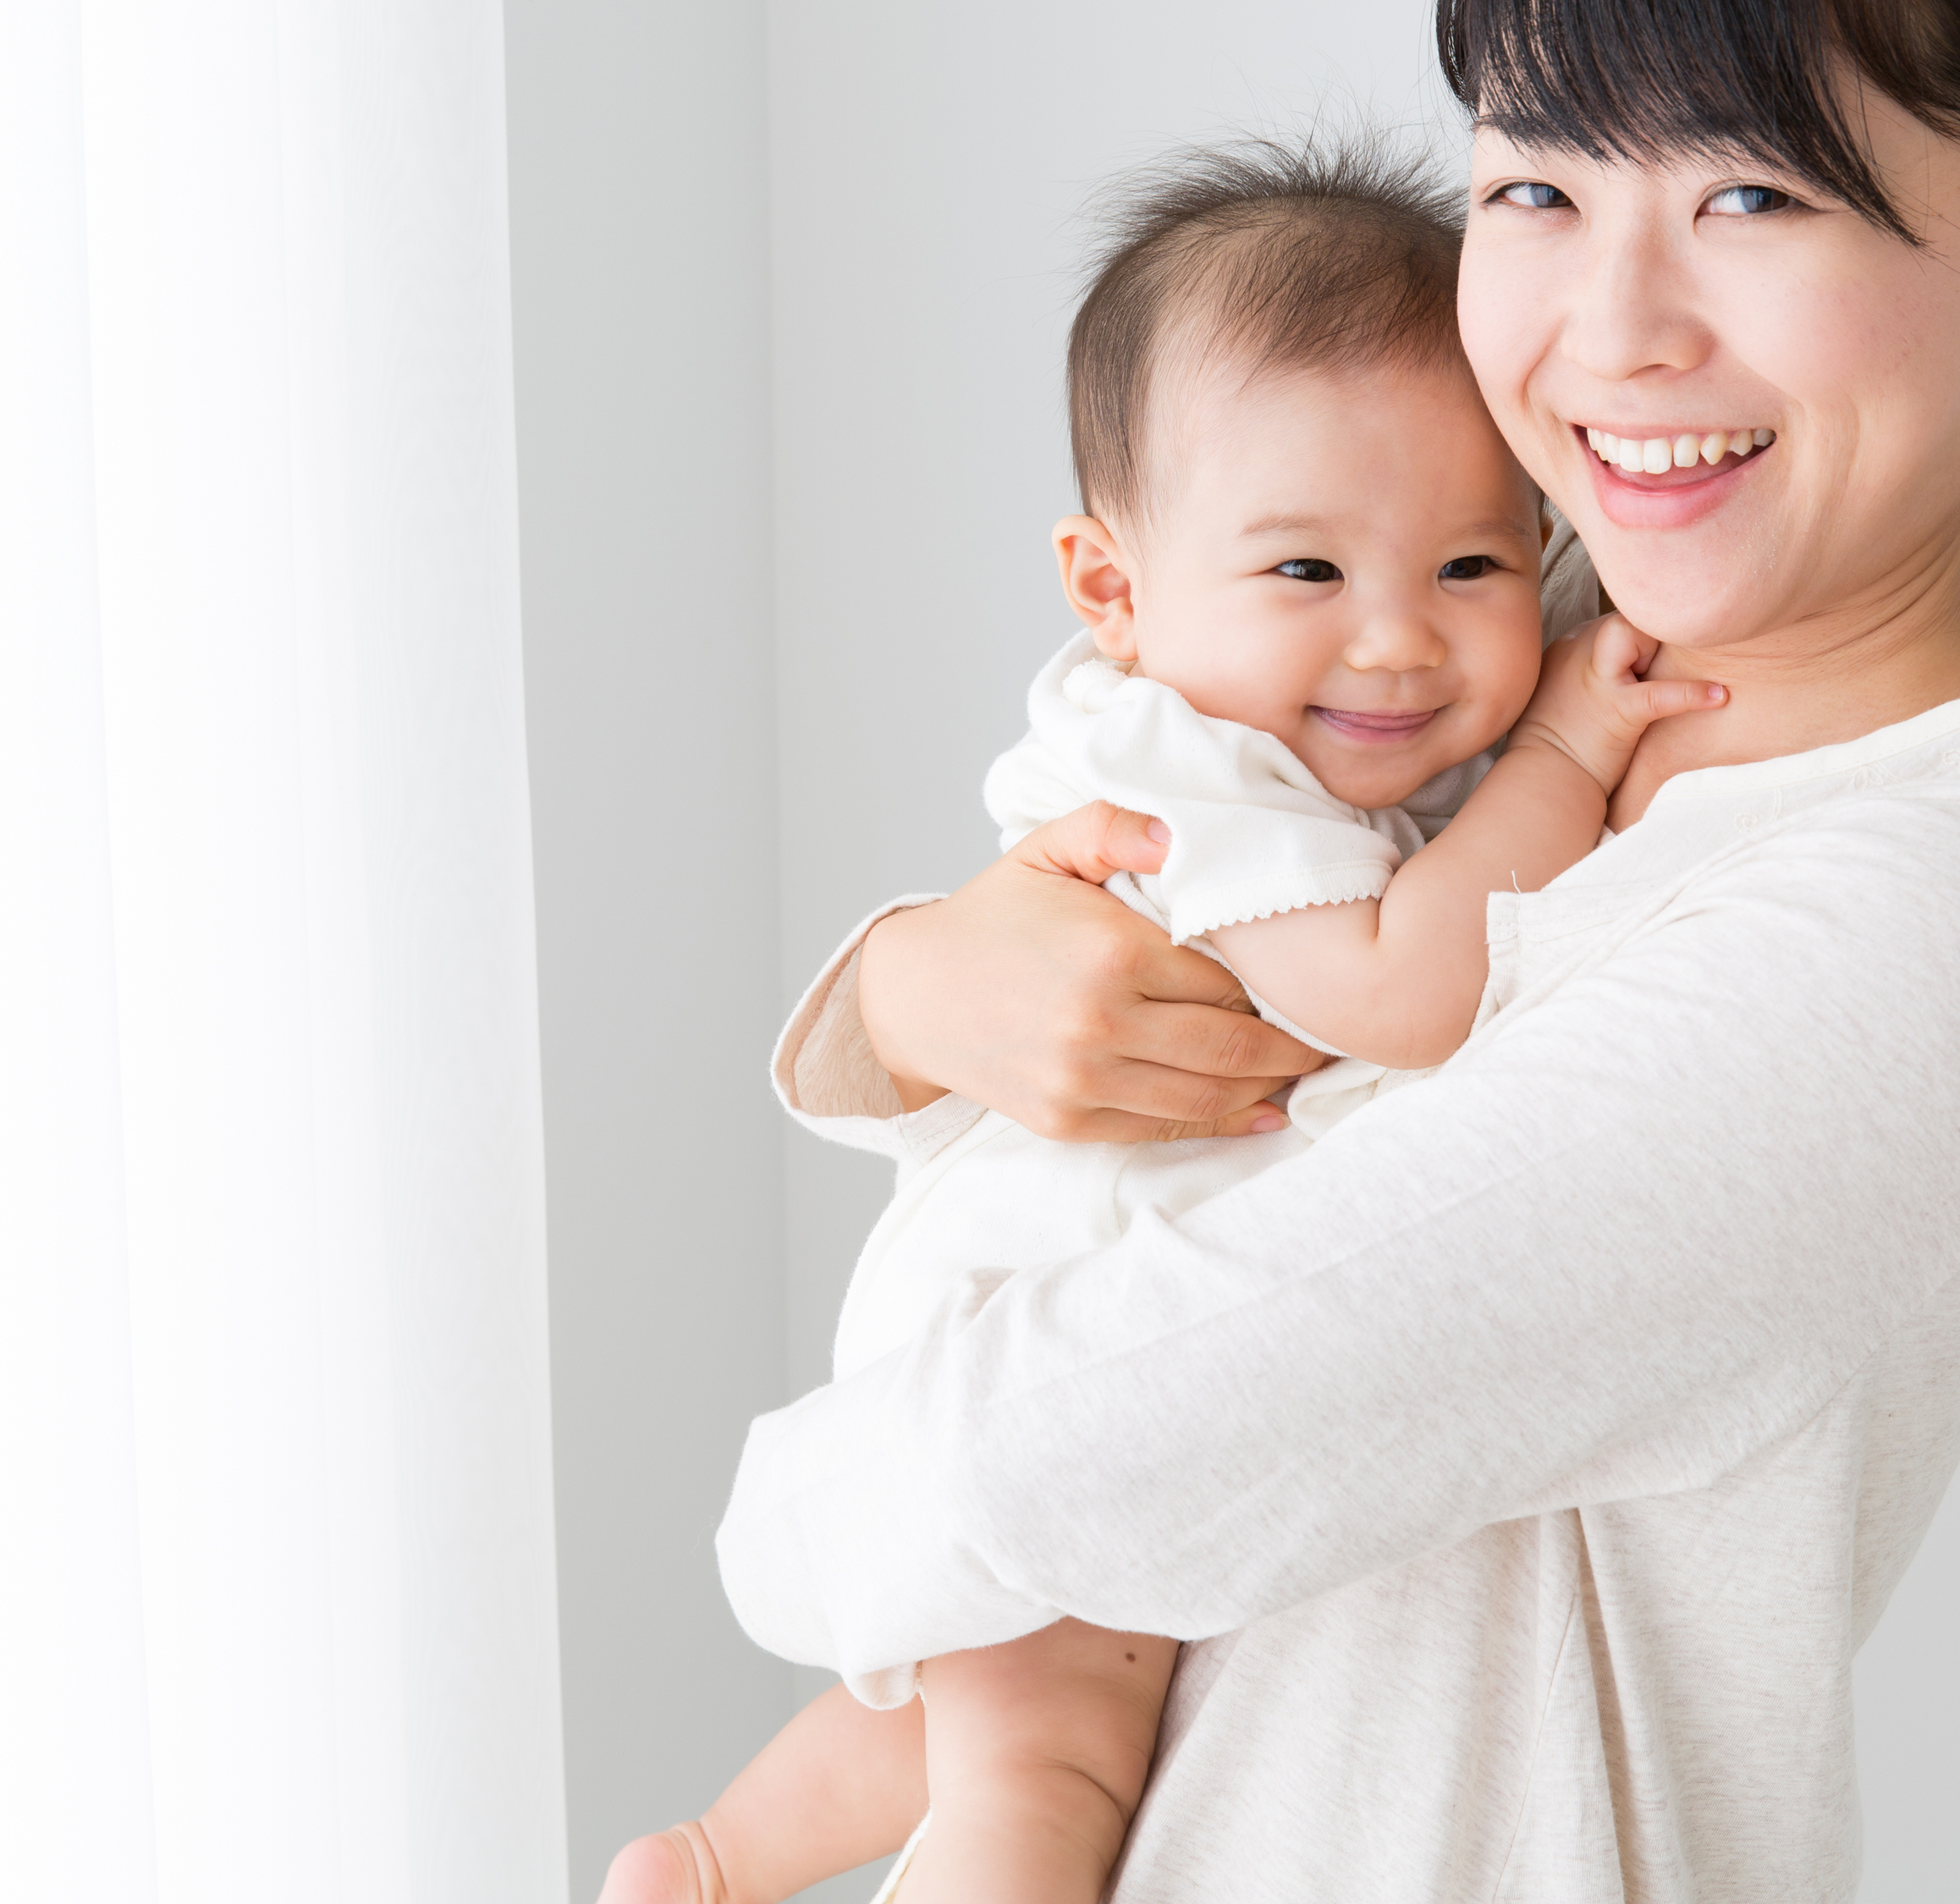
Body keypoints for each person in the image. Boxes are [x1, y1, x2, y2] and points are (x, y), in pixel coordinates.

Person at [710, 0, 1960, 1896]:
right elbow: (1161, 985)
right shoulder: (1499, 642)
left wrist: (798, 1511)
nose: (1613, 330)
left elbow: (1076, 1447)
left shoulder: (1935, 913)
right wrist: (917, 984)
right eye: (1539, 185)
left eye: (1751, 190)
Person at [602, 144, 1716, 1904]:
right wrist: (1570, 752)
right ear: (1113, 592)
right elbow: (1398, 993)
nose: (1399, 642)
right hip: (1059, 1308)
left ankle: (713, 1859)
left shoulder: (1297, 729)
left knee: (963, 1712)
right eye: (1302, 572)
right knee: (1041, 1773)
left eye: (1472, 565)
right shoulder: (1188, 768)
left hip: (1075, 1290)